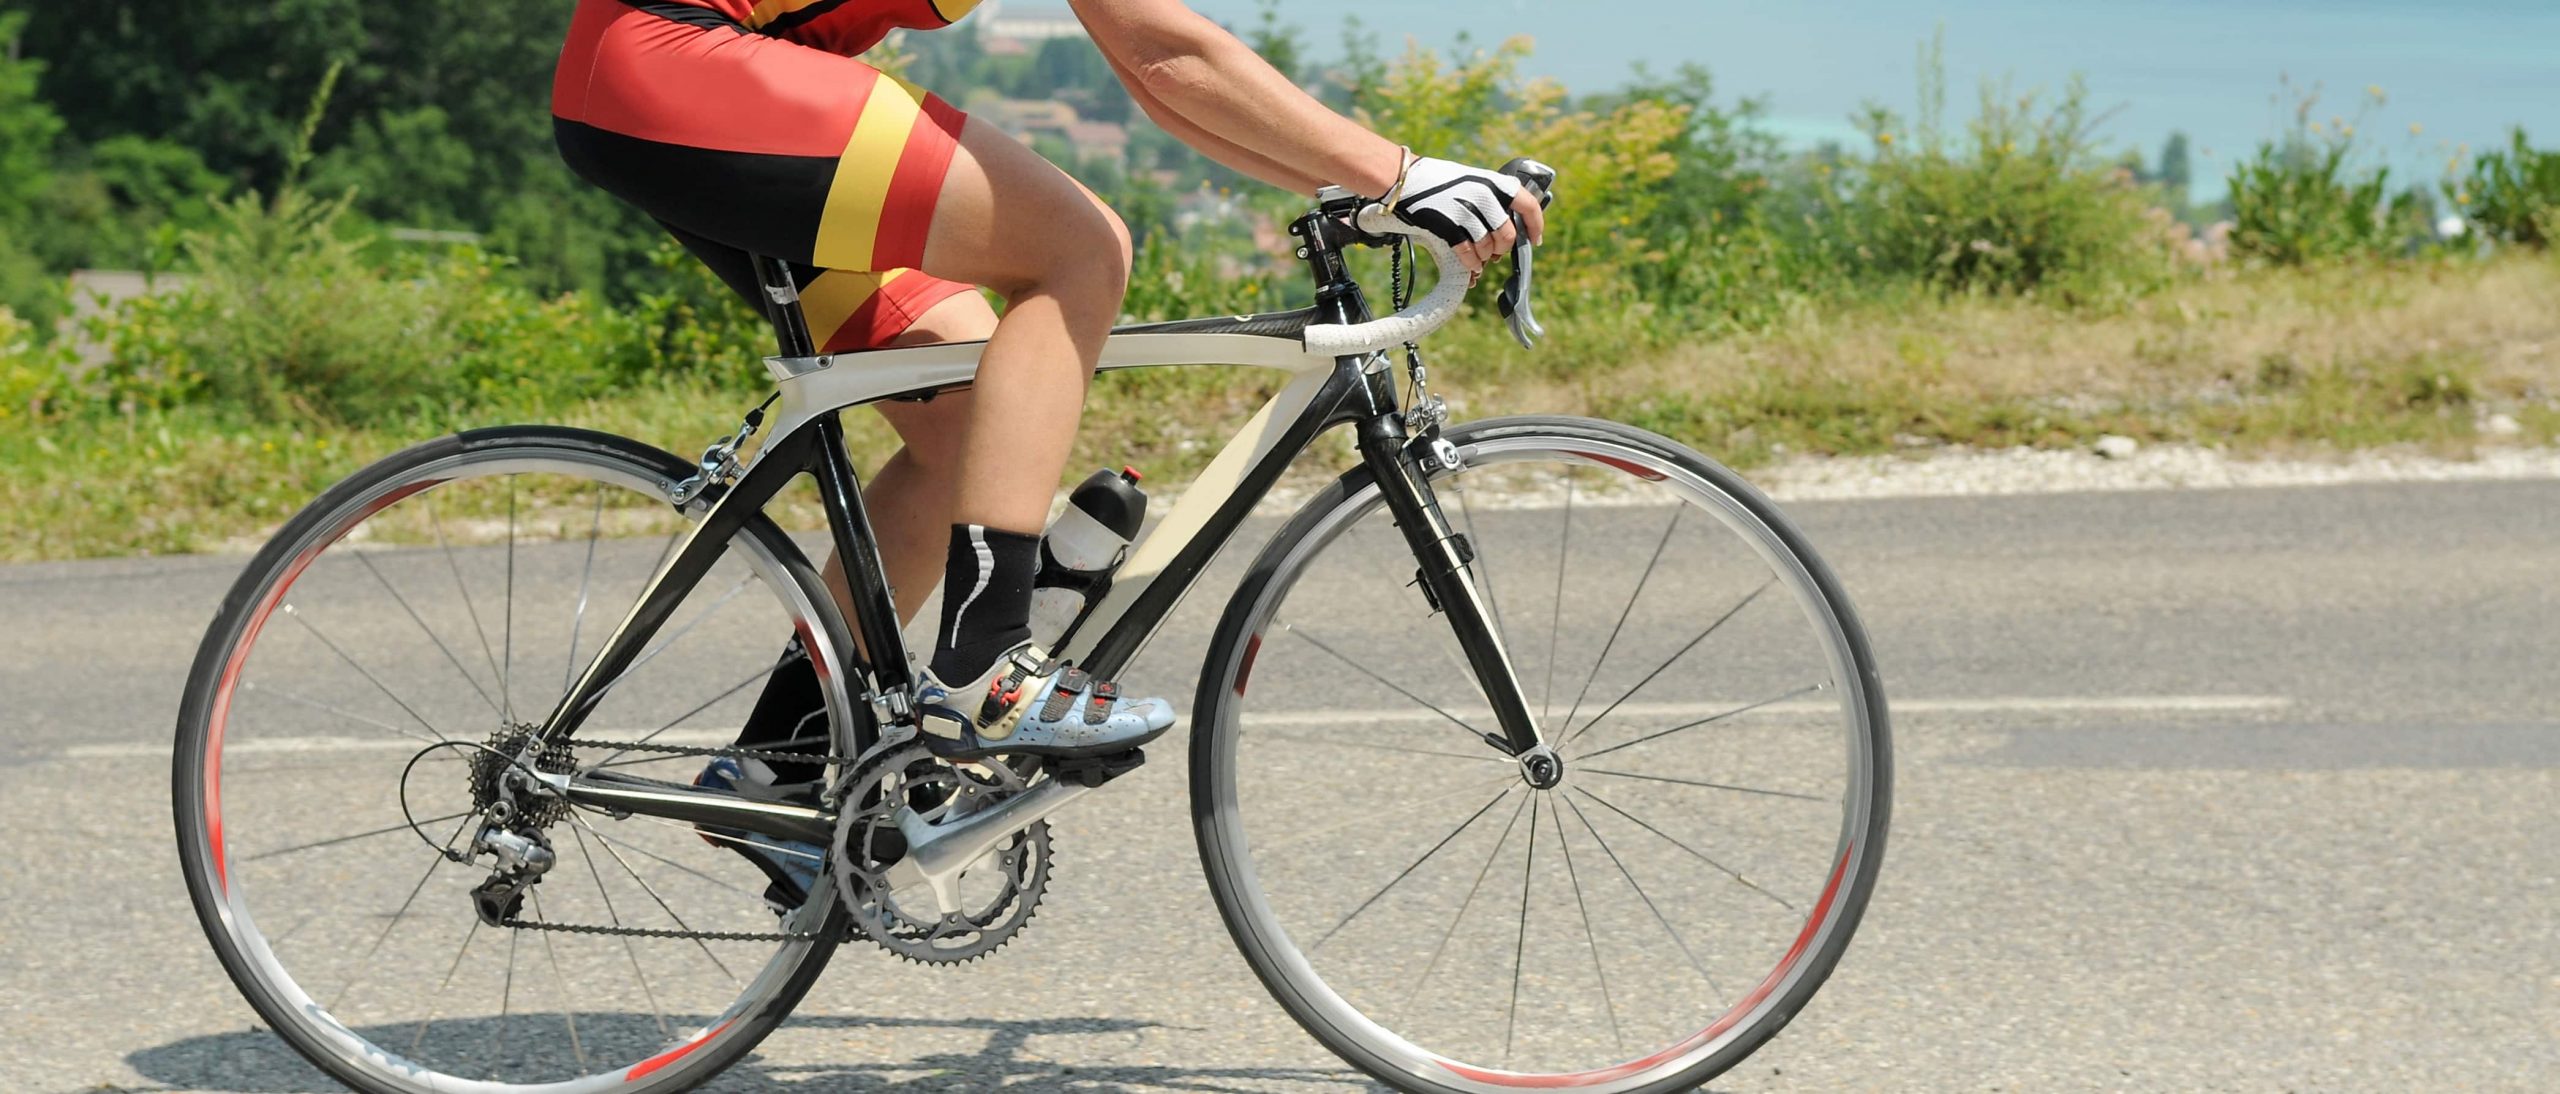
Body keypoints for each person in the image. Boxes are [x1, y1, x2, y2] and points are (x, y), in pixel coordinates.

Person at [552, 0, 1544, 899]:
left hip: (690, 82)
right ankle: (986, 662)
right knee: (1078, 247)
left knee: (954, 415)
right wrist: (1402, 174)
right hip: (685, 67)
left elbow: (1165, 82)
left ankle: (780, 757)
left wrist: (1369, 185)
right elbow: (1163, 54)